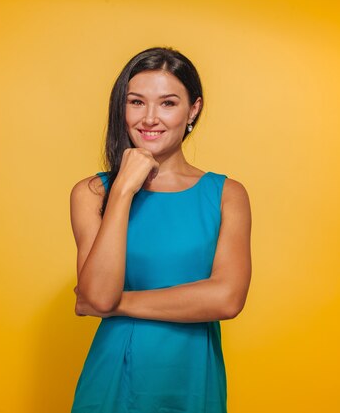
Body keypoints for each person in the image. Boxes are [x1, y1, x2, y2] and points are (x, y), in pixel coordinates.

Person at [69, 46, 252, 413]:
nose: (149, 118)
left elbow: (227, 299)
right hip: (113, 375)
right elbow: (97, 297)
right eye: (136, 102)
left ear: (193, 110)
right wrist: (122, 190)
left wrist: (118, 305)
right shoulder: (93, 193)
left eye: (167, 103)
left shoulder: (226, 195)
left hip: (192, 378)